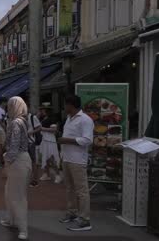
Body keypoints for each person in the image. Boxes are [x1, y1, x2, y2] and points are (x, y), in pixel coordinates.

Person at [57, 95, 94, 231]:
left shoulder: (85, 120)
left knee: (82, 190)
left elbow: (87, 140)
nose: (64, 107)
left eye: (65, 105)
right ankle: (72, 212)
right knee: (69, 188)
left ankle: (85, 219)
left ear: (71, 105)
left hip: (78, 160)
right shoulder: (68, 118)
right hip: (67, 158)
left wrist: (66, 140)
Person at [1, 96, 32, 240]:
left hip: (18, 161)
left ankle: (23, 229)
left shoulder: (15, 123)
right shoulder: (22, 121)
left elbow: (13, 147)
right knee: (10, 192)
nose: (8, 108)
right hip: (22, 160)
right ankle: (12, 220)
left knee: (17, 196)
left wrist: (6, 160)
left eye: (10, 105)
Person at [39, 105, 62, 184]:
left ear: (46, 110)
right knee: (45, 158)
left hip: (50, 140)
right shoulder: (44, 118)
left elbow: (54, 130)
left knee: (52, 158)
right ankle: (46, 174)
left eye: (42, 109)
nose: (41, 111)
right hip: (45, 140)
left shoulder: (52, 119)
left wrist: (42, 129)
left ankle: (58, 175)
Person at [27, 110, 42, 187]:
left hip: (32, 142)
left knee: (33, 161)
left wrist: (31, 132)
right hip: (24, 142)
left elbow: (39, 128)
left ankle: (35, 180)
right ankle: (28, 179)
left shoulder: (33, 117)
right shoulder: (21, 118)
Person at [0, 97, 8, 169]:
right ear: (3, 102)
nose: (6, 104)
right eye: (6, 102)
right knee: (1, 145)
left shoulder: (3, 109)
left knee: (3, 145)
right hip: (1, 128)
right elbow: (0, 121)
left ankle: (1, 160)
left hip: (3, 128)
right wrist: (6, 129)